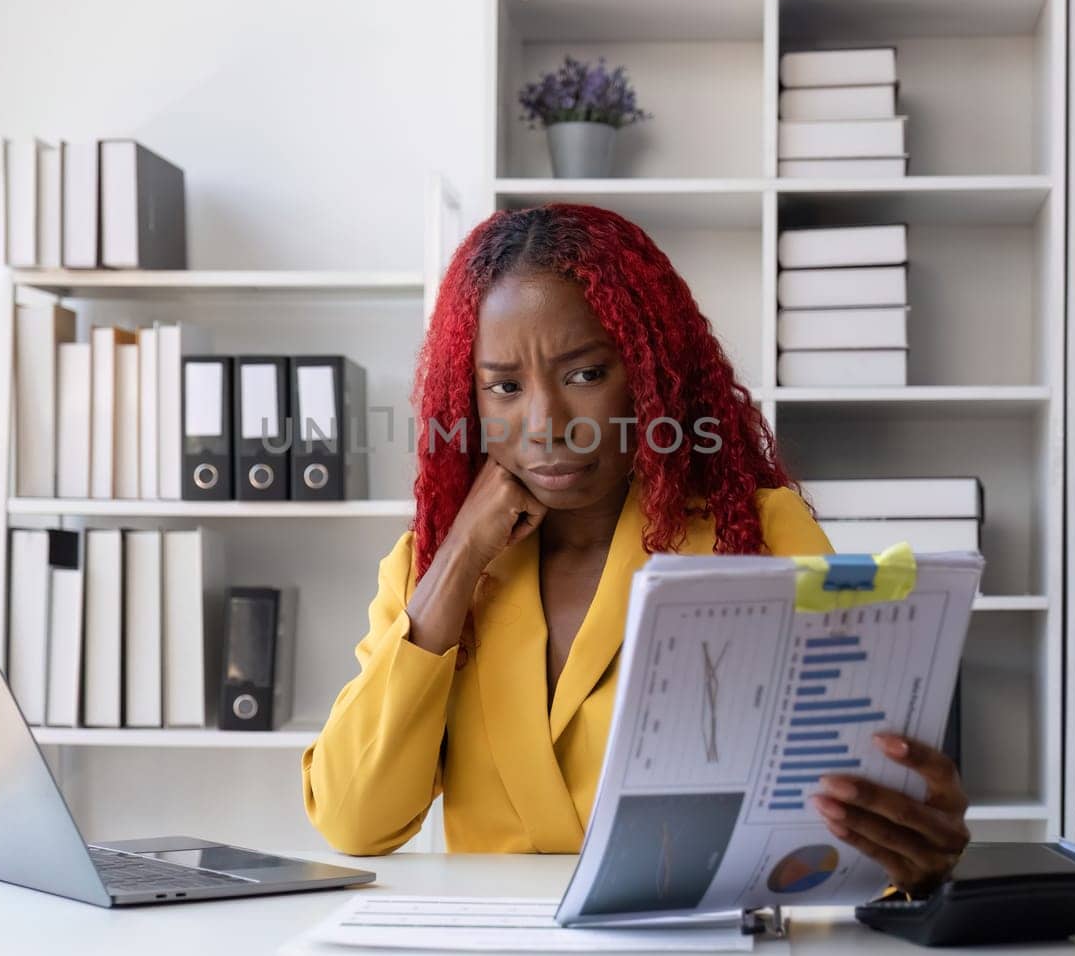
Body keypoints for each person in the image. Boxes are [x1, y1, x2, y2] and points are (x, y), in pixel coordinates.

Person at [302, 204, 970, 895]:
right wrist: (459, 560)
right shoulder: (429, 568)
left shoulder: (757, 536)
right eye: (504, 386)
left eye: (585, 375)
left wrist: (909, 851)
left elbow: (844, 810)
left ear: (652, 376)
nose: (545, 426)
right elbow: (356, 823)